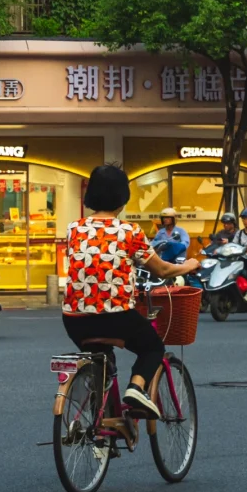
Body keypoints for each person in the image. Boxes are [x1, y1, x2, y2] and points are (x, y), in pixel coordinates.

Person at [62, 163, 199, 418]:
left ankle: (99, 421)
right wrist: (189, 265)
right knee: (152, 348)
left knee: (100, 359)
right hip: (115, 317)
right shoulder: (129, 231)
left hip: (74, 319)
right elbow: (163, 271)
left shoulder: (73, 229)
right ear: (122, 196)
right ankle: (136, 389)